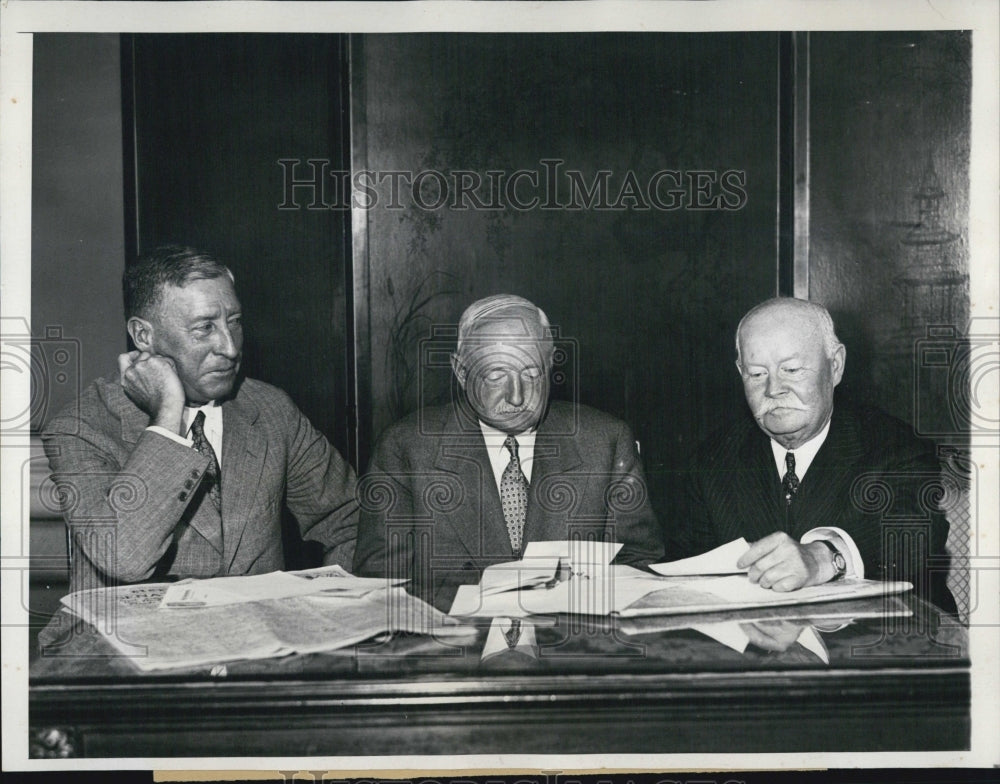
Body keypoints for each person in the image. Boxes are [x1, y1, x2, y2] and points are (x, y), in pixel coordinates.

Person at [43, 246, 358, 592]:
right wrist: (167, 416)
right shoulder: (81, 428)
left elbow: (350, 519)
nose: (230, 347)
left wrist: (334, 608)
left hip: (261, 640)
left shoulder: (270, 409)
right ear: (144, 336)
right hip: (139, 643)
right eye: (204, 327)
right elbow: (124, 557)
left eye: (234, 322)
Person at [352, 294, 664, 609]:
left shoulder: (605, 442)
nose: (516, 397)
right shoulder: (405, 449)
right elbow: (381, 589)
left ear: (551, 361)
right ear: (461, 372)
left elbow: (639, 567)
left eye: (531, 373)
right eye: (496, 375)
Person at [678, 297, 956, 612]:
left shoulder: (893, 444)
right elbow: (688, 569)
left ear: (834, 365)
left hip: (880, 643)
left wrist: (824, 557)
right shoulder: (713, 460)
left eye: (792, 369)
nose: (773, 390)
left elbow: (914, 535)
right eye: (756, 374)